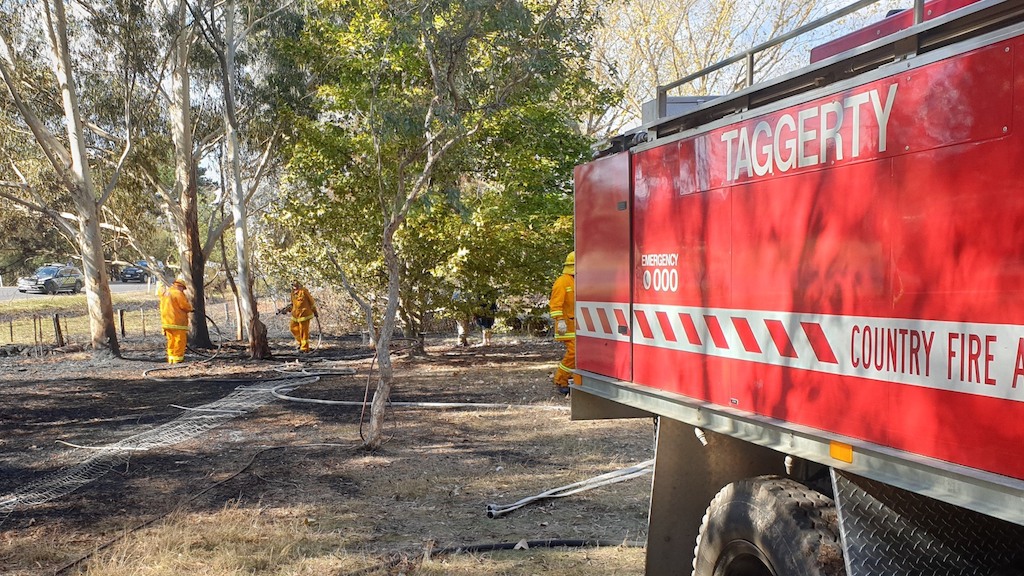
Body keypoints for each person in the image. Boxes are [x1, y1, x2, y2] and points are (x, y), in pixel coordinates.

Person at [549, 251, 579, 396]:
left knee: (580, 355)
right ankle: (561, 380)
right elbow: (555, 305)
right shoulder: (562, 282)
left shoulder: (577, 281)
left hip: (579, 325)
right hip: (567, 326)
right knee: (574, 353)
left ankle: (572, 379)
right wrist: (560, 320)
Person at [159, 278, 192, 364]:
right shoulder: (178, 293)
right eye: (183, 289)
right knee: (179, 340)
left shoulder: (166, 293)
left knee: (171, 341)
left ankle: (171, 358)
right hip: (177, 322)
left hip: (166, 322)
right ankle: (177, 358)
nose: (183, 291)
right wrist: (190, 308)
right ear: (180, 286)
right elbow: (184, 306)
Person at [280, 280, 318, 352]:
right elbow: (293, 304)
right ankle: (300, 343)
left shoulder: (304, 291)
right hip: (295, 315)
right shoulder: (292, 292)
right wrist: (286, 310)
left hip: (304, 315)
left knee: (303, 332)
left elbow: (312, 302)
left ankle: (304, 348)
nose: (294, 286)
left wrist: (315, 311)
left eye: (295, 284)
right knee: (292, 328)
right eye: (292, 284)